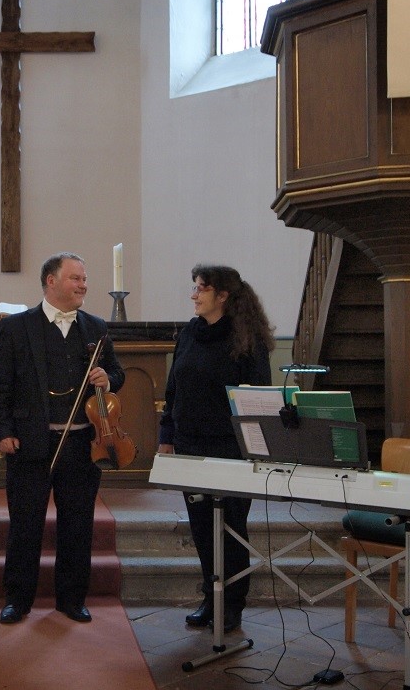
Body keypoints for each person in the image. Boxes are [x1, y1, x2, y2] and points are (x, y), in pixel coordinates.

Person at [0, 252, 125, 624]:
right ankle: (18, 599)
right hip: (31, 443)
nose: (83, 284)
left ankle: (71, 598)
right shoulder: (17, 328)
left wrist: (108, 379)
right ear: (51, 281)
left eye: (84, 278)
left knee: (78, 525)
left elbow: (116, 372)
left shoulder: (95, 327)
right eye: (75, 278)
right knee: (25, 525)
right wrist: (2, 433)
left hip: (84, 443)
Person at [157, 264, 275, 632]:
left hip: (230, 448)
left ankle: (233, 605)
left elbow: (258, 399)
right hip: (190, 444)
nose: (194, 295)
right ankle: (211, 597)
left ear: (222, 295)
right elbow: (173, 388)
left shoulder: (246, 340)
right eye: (194, 288)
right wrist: (167, 435)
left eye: (200, 289)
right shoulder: (191, 333)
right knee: (202, 529)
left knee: (230, 528)